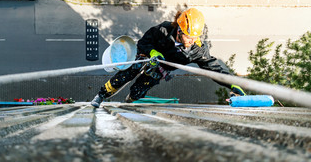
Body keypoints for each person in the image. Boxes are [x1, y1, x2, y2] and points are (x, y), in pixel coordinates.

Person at [91, 8, 245, 108]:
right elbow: (144, 42)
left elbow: (214, 68)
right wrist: (152, 52)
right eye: (189, 36)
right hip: (146, 57)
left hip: (160, 69)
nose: (193, 41)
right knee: (123, 76)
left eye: (195, 37)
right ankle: (101, 95)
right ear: (179, 30)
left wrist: (232, 84)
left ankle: (130, 98)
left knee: (139, 91)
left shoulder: (197, 50)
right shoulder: (164, 30)